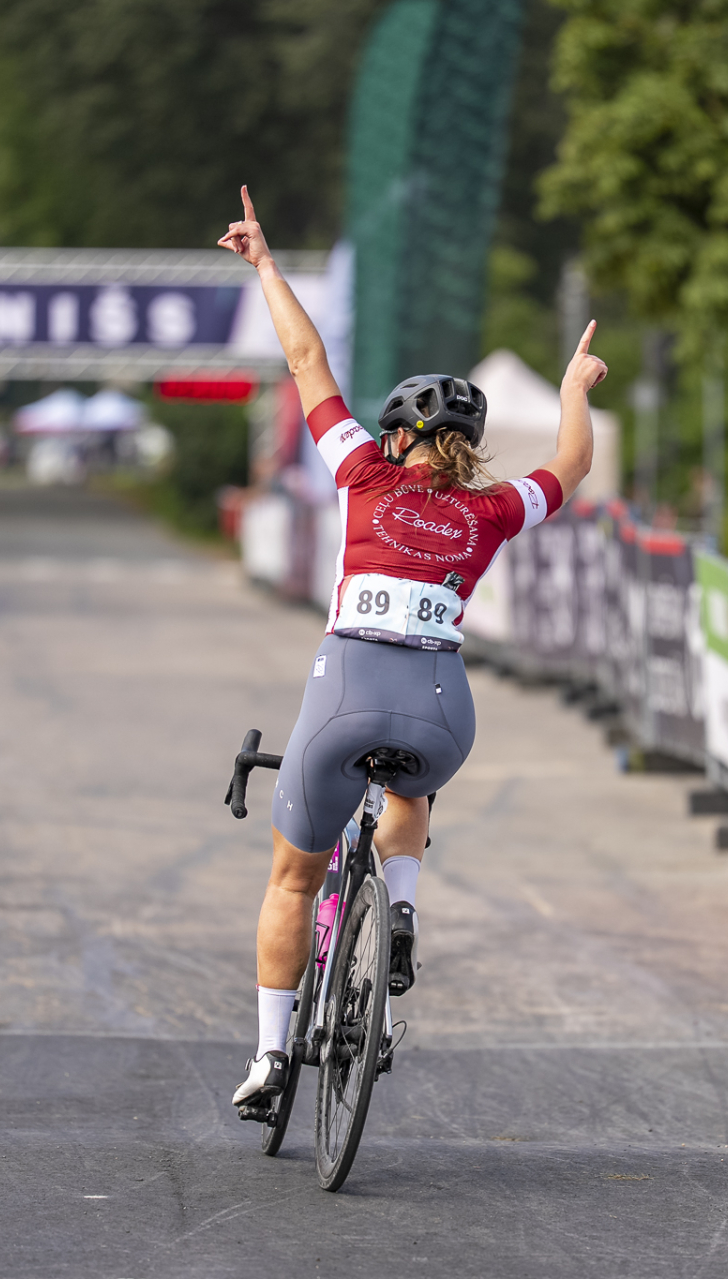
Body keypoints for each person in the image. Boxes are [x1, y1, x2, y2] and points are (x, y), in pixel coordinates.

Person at [216, 187, 607, 1109]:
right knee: (408, 783)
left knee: (291, 874)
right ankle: (399, 907)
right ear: (468, 448)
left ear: (398, 435)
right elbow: (575, 465)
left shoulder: (360, 472)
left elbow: (306, 357)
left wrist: (266, 263)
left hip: (347, 683)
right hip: (441, 707)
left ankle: (271, 1059)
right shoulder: (493, 510)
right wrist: (571, 390)